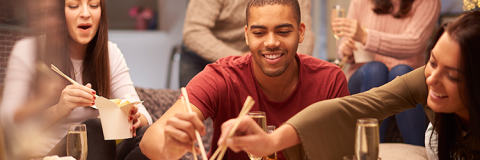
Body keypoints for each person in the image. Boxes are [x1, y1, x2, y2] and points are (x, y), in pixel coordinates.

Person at [219, 11, 480, 160]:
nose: (432, 78)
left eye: (453, 76)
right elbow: (356, 106)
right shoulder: (426, 80)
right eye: (432, 63)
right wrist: (271, 141)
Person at [140, 0, 349, 159]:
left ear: (300, 32)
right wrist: (167, 147)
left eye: (283, 32)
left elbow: (344, 149)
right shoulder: (222, 76)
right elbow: (151, 137)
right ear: (247, 35)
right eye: (259, 33)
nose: (272, 42)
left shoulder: (329, 79)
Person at [0, 0, 153, 159]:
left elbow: (144, 115)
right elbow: (7, 124)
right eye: (74, 6)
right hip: (46, 155)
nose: (86, 14)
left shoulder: (110, 53)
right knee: (94, 129)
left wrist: (134, 118)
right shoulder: (29, 50)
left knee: (148, 136)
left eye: (94, 5)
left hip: (99, 153)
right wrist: (57, 110)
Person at [331, 0, 440, 146]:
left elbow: (415, 42)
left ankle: (420, 151)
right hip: (364, 74)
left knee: (401, 72)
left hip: (405, 73)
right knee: (375, 69)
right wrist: (345, 48)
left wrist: (365, 37)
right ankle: (370, 151)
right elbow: (345, 43)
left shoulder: (427, 2)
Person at [179, 0, 315, 87]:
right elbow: (193, 31)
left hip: (256, 57)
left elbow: (302, 32)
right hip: (202, 59)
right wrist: (240, 58)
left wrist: (292, 66)